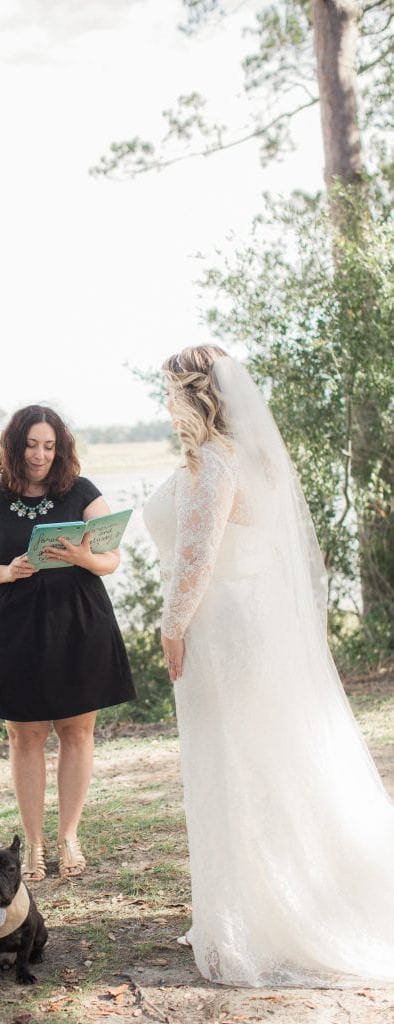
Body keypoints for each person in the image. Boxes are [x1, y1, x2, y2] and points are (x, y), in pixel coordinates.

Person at [143, 345, 394, 988]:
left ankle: (251, 921)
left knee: (232, 765)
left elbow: (198, 555)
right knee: (256, 761)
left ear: (197, 397)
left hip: (219, 629)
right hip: (241, 620)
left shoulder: (214, 462)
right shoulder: (243, 459)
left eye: (171, 391)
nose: (165, 403)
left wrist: (172, 625)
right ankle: (257, 905)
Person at [0, 405, 135, 881]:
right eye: (32, 444)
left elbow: (113, 557)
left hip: (79, 623)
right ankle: (33, 843)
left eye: (49, 445)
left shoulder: (81, 491)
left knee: (77, 732)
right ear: (14, 446)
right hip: (14, 629)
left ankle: (69, 836)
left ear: (61, 449)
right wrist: (6, 571)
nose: (40, 454)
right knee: (26, 736)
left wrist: (84, 555)